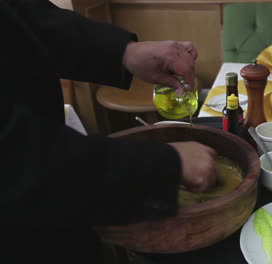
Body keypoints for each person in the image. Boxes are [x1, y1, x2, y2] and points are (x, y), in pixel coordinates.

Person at [1, 1, 218, 264]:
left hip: (62, 214)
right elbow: (14, 160)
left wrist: (123, 51)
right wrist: (165, 163)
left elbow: (24, 15)